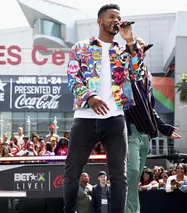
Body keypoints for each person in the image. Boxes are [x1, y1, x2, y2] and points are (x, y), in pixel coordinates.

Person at [63, 4, 144, 213]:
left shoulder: (123, 51)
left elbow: (137, 75)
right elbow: (72, 77)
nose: (116, 20)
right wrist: (89, 97)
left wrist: (130, 41)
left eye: (118, 17)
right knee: (72, 171)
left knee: (120, 175)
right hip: (85, 118)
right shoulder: (81, 47)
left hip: (115, 119)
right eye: (111, 16)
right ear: (100, 21)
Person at [124, 37, 181, 213]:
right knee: (132, 173)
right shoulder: (125, 71)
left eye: (144, 49)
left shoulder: (148, 75)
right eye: (139, 49)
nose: (143, 52)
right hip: (131, 130)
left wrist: (166, 129)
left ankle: (133, 211)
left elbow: (150, 109)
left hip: (145, 135)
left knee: (135, 179)